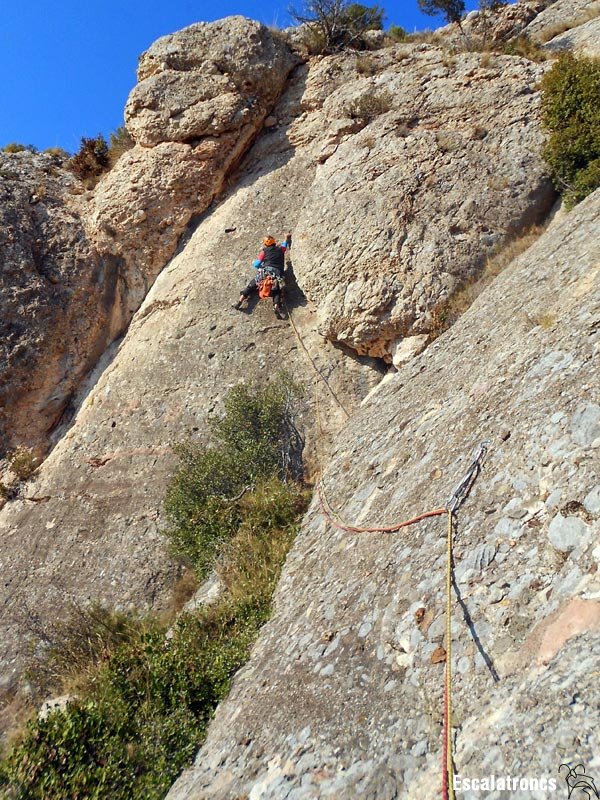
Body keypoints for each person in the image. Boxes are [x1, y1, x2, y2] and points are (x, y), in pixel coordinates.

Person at [233, 233, 291, 319]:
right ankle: (276, 307)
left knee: (252, 285)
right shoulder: (280, 250)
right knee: (277, 291)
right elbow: (284, 245)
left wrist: (260, 265)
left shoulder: (264, 252)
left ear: (265, 244)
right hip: (277, 273)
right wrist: (286, 238)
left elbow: (256, 265)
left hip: (266, 271)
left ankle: (239, 301)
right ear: (274, 242)